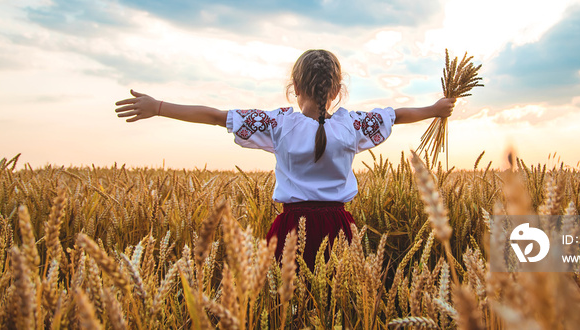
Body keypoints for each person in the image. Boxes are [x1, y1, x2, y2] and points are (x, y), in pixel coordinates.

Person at [115, 49, 455, 269]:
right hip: (340, 228)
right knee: (339, 301)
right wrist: (435, 110)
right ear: (337, 90)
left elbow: (216, 115)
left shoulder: (278, 124)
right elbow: (396, 114)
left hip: (291, 230)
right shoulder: (351, 126)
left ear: (294, 87)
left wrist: (158, 107)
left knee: (288, 306)